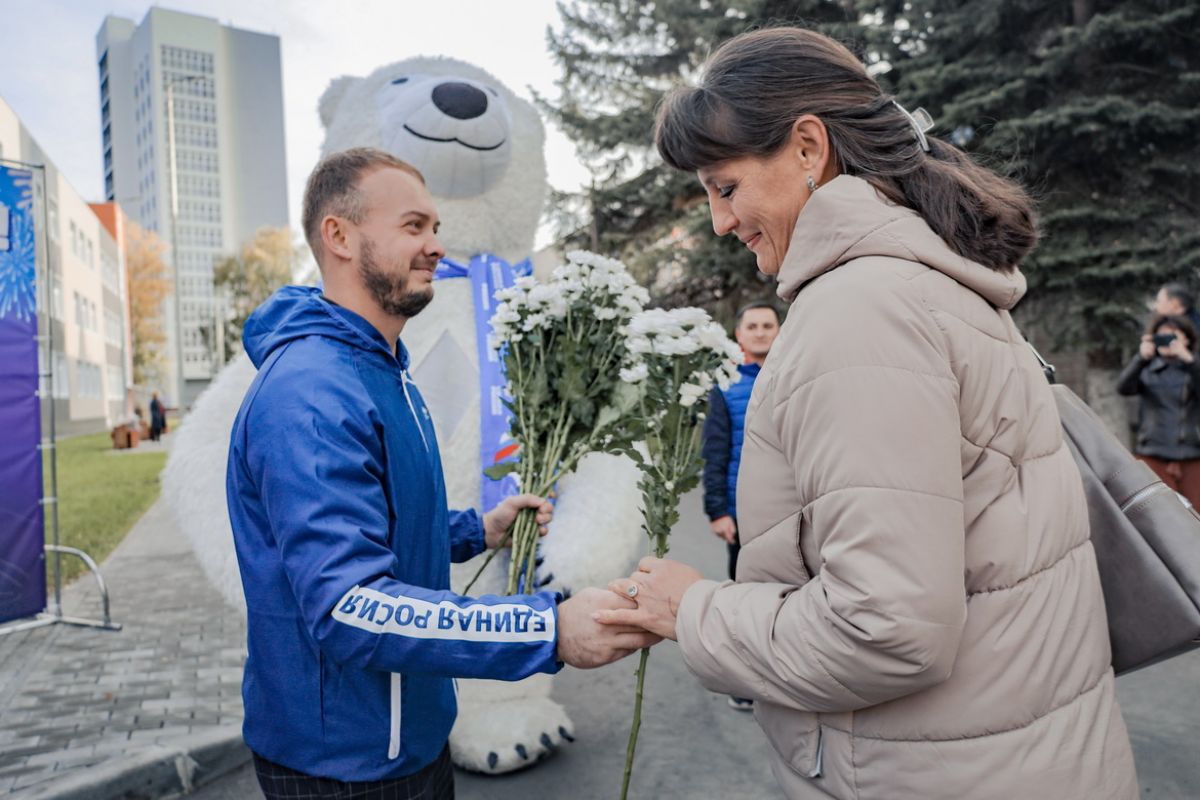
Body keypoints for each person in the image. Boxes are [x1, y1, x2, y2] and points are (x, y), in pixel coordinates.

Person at [598, 27, 1137, 800]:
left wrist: (693, 609)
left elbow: (887, 632)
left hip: (929, 770)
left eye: (725, 187)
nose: (721, 223)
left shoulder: (860, 309)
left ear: (809, 149)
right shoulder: (928, 280)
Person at [226, 147, 657, 800]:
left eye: (434, 227)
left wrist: (476, 530)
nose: (434, 245)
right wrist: (548, 627)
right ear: (338, 236)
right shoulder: (312, 392)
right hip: (345, 764)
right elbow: (349, 607)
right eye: (412, 226)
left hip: (410, 740)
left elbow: (384, 522)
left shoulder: (383, 370)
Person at [700, 300, 779, 711]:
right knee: (746, 599)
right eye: (754, 325)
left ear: (779, 332)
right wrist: (717, 509)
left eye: (769, 324)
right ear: (740, 334)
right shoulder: (726, 385)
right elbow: (715, 451)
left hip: (795, 512)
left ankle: (788, 673)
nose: (762, 331)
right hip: (743, 511)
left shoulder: (796, 377)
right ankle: (745, 681)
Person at [1117, 313, 1200, 507]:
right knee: (1159, 514)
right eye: (1161, 336)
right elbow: (1123, 388)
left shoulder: (1194, 367)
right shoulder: (1146, 369)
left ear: (1186, 339)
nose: (1167, 342)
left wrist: (1189, 360)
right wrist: (1140, 358)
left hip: (1193, 455)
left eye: (1173, 336)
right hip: (1153, 453)